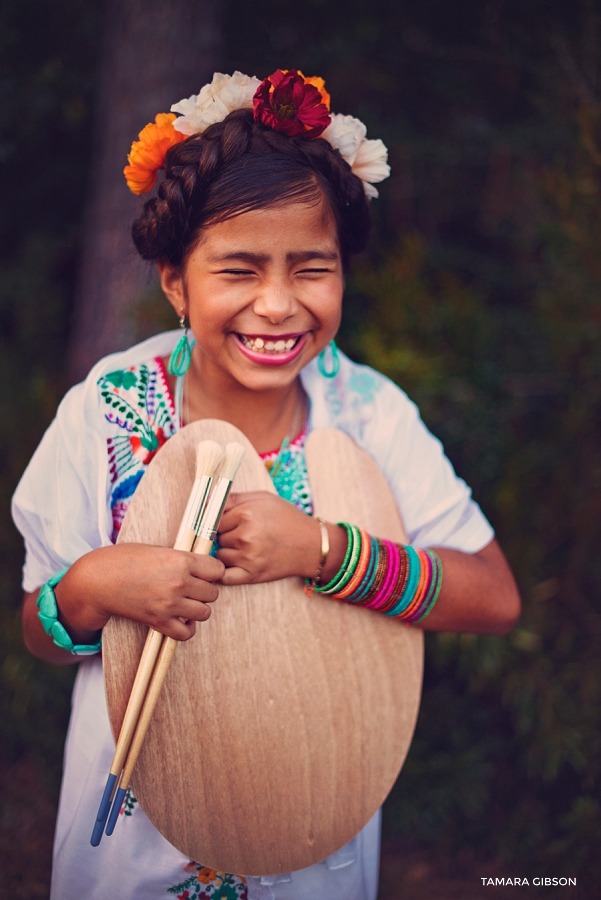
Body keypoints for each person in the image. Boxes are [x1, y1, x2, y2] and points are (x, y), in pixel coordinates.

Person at [12, 69, 520, 900]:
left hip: (316, 828)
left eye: (310, 268)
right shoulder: (106, 412)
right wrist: (97, 583)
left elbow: (492, 596)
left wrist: (323, 549)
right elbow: (40, 629)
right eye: (239, 270)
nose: (278, 305)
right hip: (134, 847)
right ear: (176, 280)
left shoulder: (368, 416)